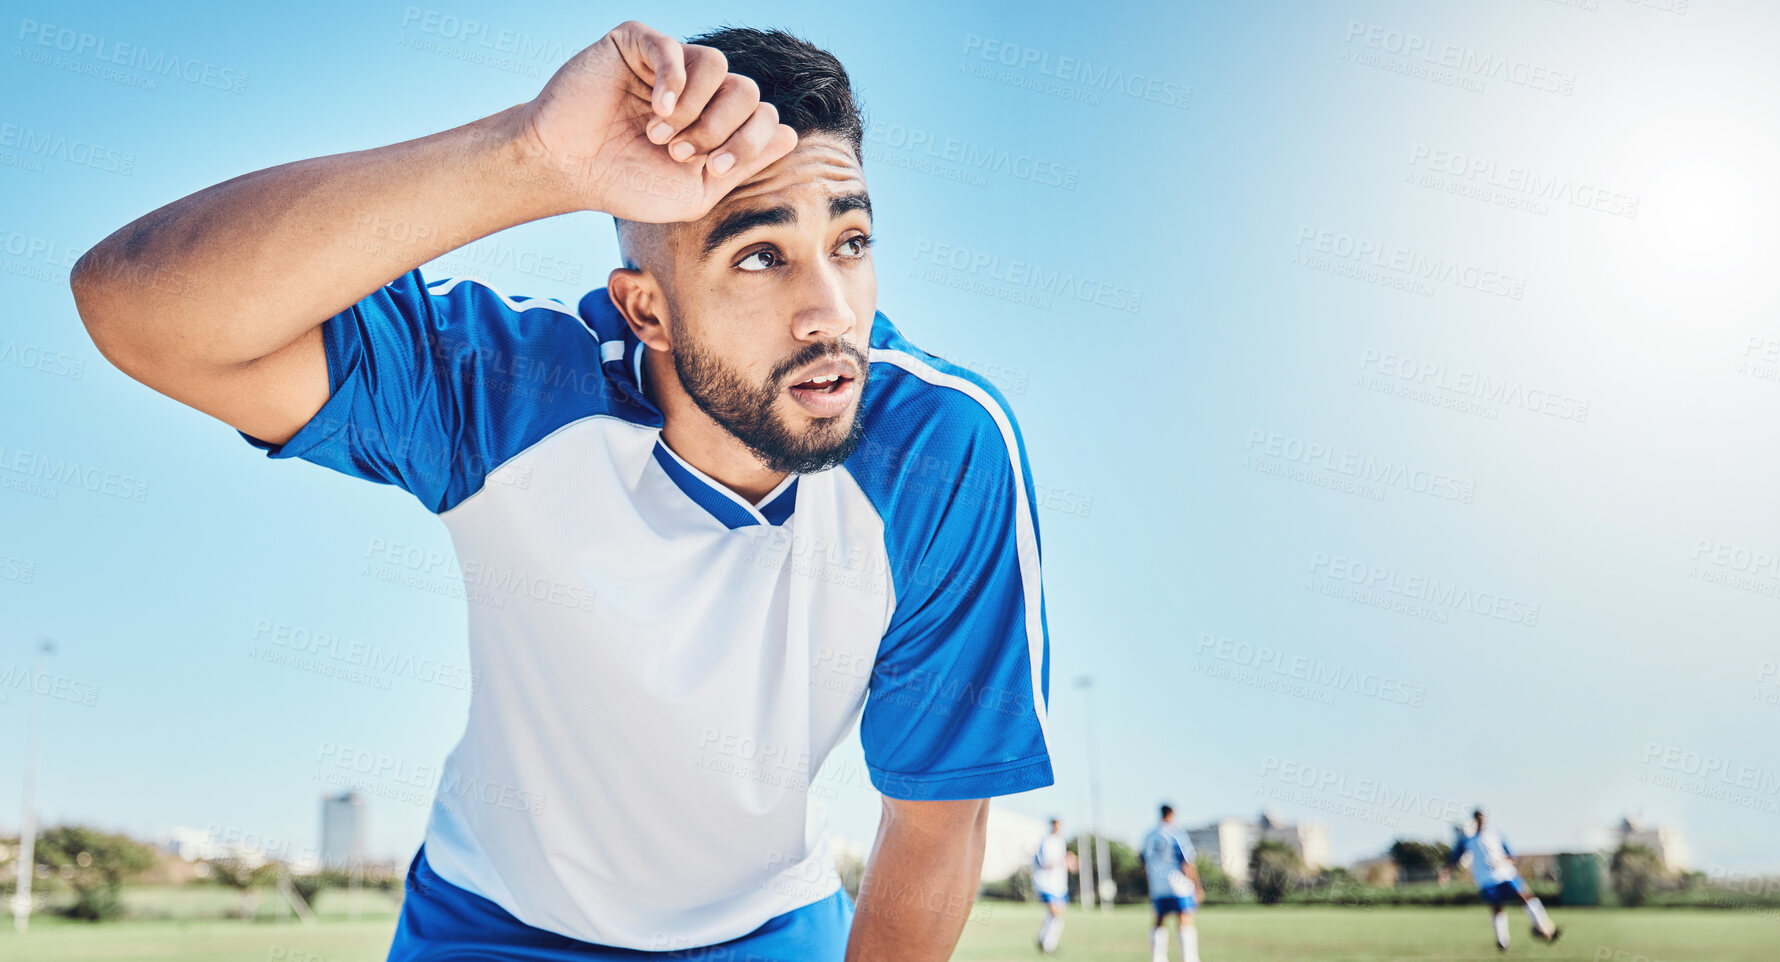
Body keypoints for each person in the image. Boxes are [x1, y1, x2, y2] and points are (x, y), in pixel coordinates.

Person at [71, 21, 1054, 962]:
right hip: (494, 915)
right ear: (647, 310)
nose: (830, 313)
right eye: (760, 254)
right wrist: (532, 154)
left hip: (766, 922)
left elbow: (935, 818)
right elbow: (135, 306)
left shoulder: (941, 450)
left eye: (849, 242)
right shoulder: (503, 386)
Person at [1451, 808, 1560, 951]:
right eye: (1478, 818)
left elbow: (1511, 856)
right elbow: (1454, 858)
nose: (1480, 820)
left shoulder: (1495, 835)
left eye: (1483, 817)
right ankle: (1502, 942)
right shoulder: (1467, 839)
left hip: (1505, 874)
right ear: (1474, 819)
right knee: (1497, 908)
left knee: (1525, 896)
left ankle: (1543, 927)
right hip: (1485, 880)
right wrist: (1447, 871)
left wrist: (1501, 861)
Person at [1140, 804, 1203, 962]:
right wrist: (1197, 886)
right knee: (1185, 917)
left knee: (1159, 919)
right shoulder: (1176, 833)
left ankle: (1158, 958)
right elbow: (1187, 861)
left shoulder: (1149, 835)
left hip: (1157, 884)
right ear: (1171, 814)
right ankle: (1189, 958)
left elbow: (1143, 861)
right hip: (1177, 883)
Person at [1032, 817, 1077, 953]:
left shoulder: (1060, 841)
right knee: (1055, 913)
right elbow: (1046, 862)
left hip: (1059, 884)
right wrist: (1064, 859)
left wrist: (1070, 862)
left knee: (1057, 913)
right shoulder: (1047, 841)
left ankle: (1042, 938)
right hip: (1046, 882)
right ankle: (1048, 945)